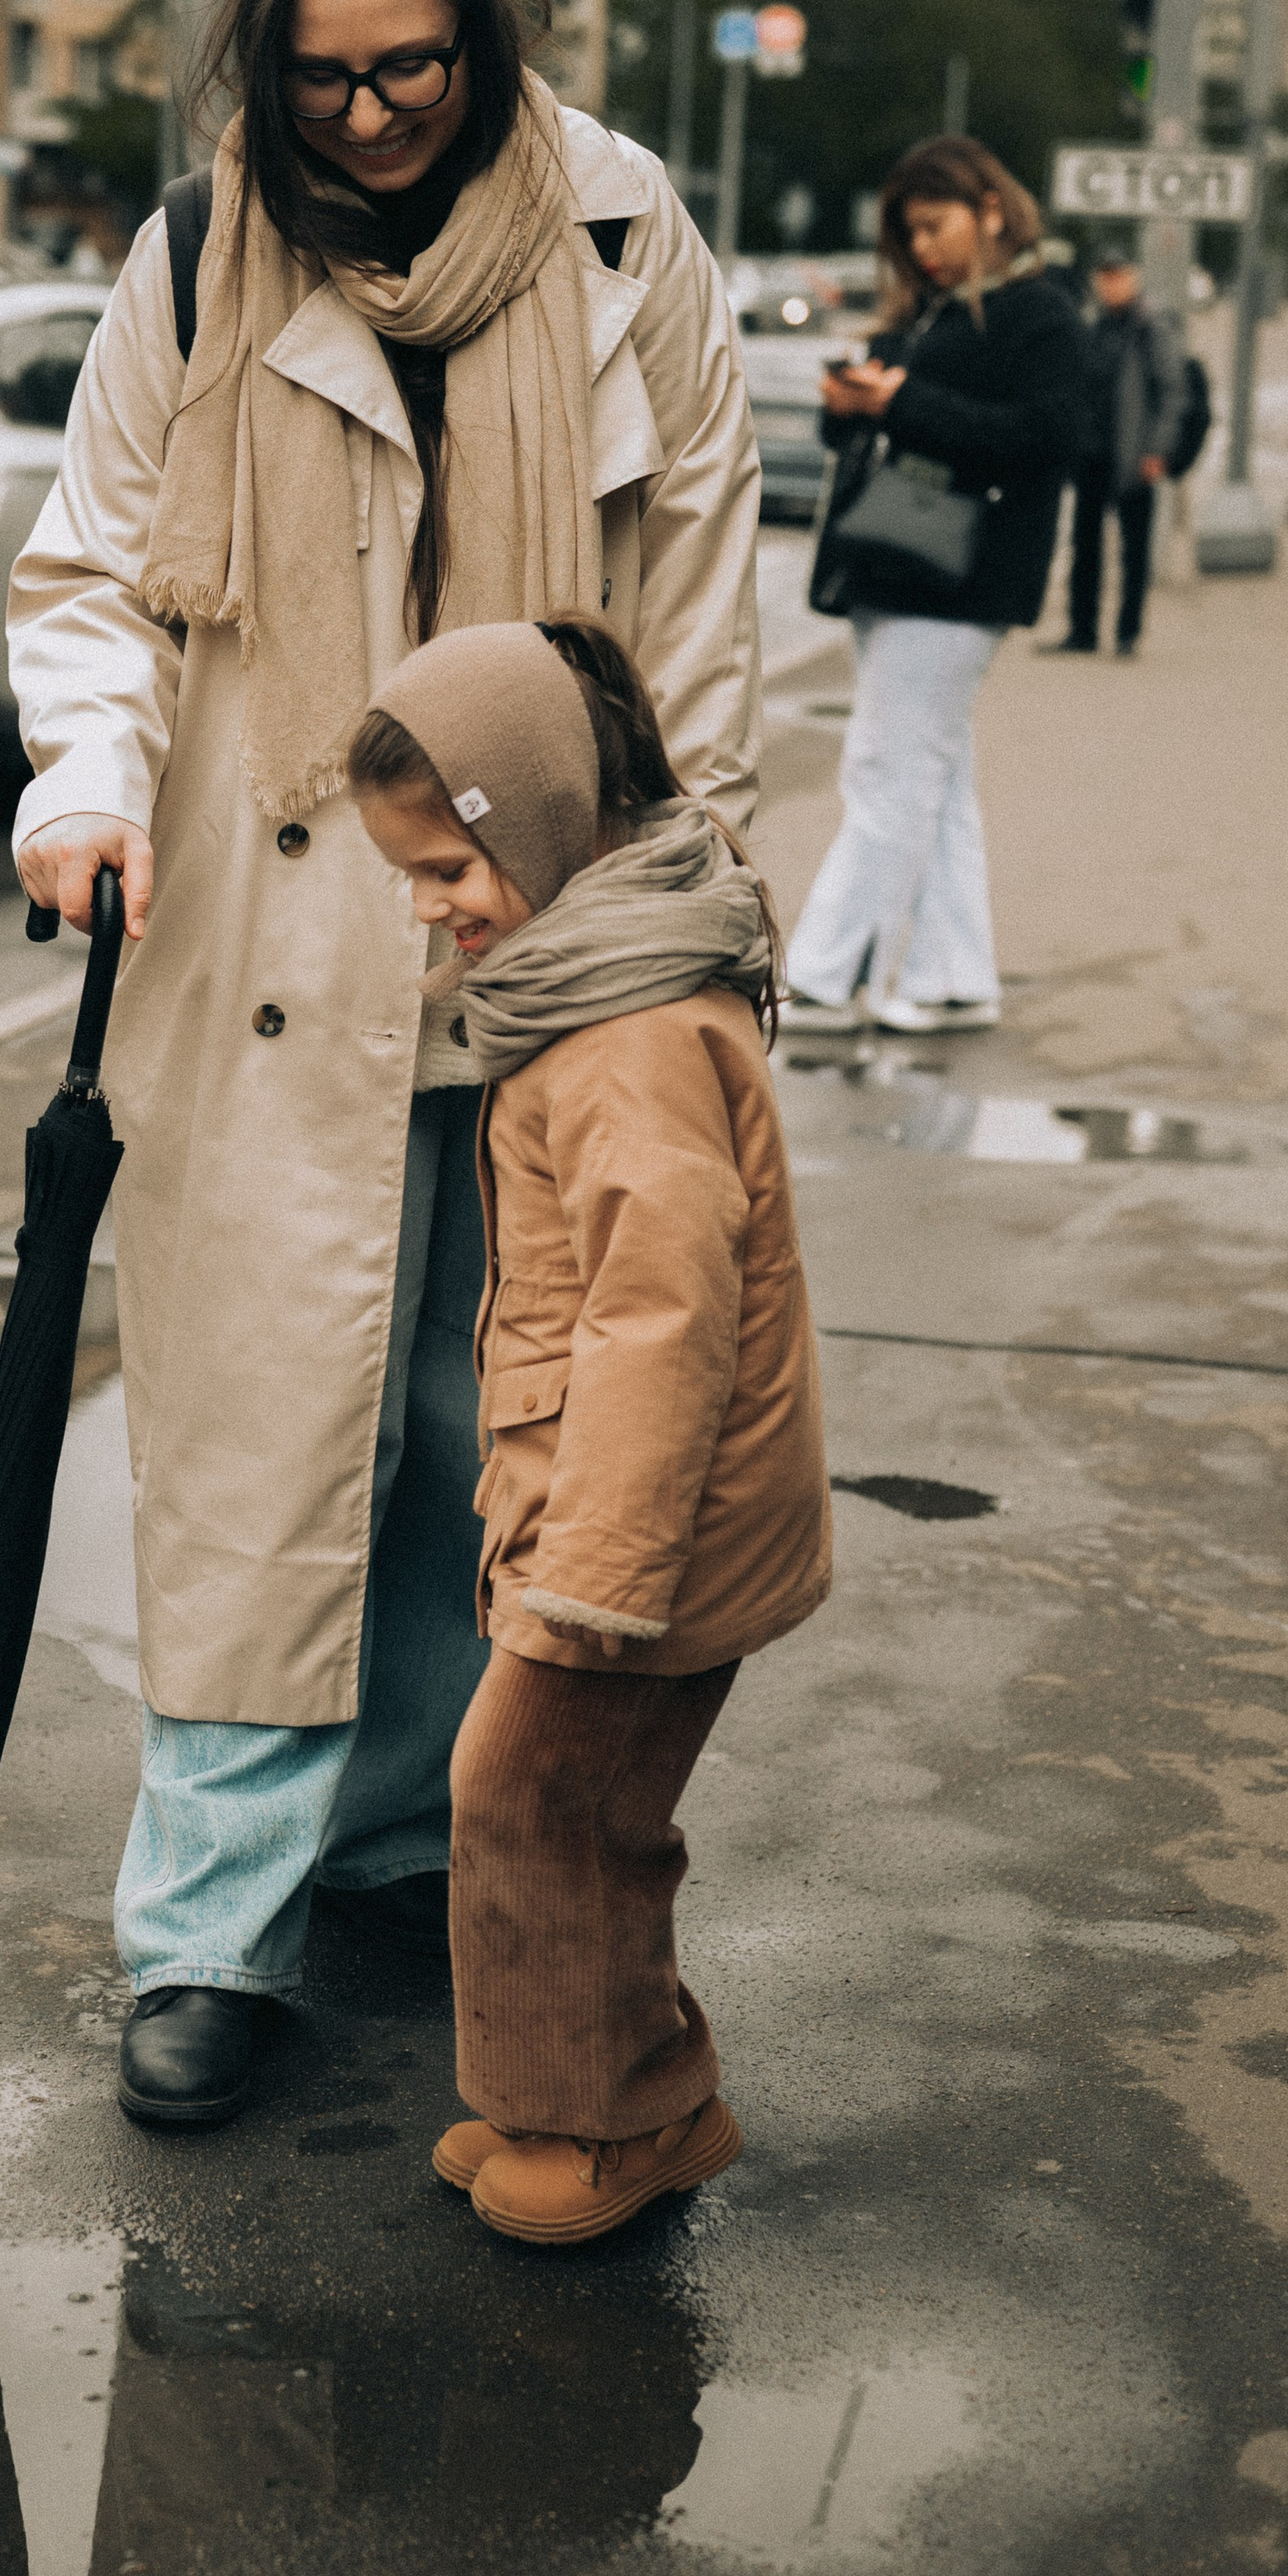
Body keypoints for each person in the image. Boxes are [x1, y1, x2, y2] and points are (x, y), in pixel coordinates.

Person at [8, 0, 763, 2129]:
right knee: (262, 1440)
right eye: (320, 82)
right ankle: (208, 1934)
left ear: (484, 26)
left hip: (547, 932)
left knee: (488, 1435)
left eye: (410, 68)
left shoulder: (627, 236)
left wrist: (693, 919)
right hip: (262, 935)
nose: (366, 121)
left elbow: (703, 604)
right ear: (267, 60)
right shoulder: (196, 249)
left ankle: (417, 1847)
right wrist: (80, 789)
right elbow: (97, 576)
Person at [348, 616, 832, 2245]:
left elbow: (661, 1324)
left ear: (531, 816)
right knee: (587, 1815)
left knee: (525, 1800)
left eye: (445, 871)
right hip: (613, 1516)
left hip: (643, 1542)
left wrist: (593, 1574)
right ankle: (640, 2097)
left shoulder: (628, 1039)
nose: (432, 911)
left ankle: (603, 2129)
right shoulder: (592, 985)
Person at [783, 136, 1087, 1039]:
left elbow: (1048, 437)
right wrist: (848, 409)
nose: (920, 246)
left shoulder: (1038, 315)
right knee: (933, 779)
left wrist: (900, 400)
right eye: (907, 232)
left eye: (934, 224)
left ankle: (828, 977)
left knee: (886, 772)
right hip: (896, 565)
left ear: (990, 211)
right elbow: (882, 434)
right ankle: (954, 978)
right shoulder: (933, 314)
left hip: (963, 576)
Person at [1046, 250, 1182, 660]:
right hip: (1090, 453)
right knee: (1084, 545)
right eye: (1104, 277)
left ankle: (1127, 634)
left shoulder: (1150, 326)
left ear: (1134, 278)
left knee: (1133, 551)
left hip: (1133, 455)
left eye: (1118, 276)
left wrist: (1157, 450)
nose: (1111, 284)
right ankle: (1082, 630)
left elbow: (1173, 393)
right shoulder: (1094, 324)